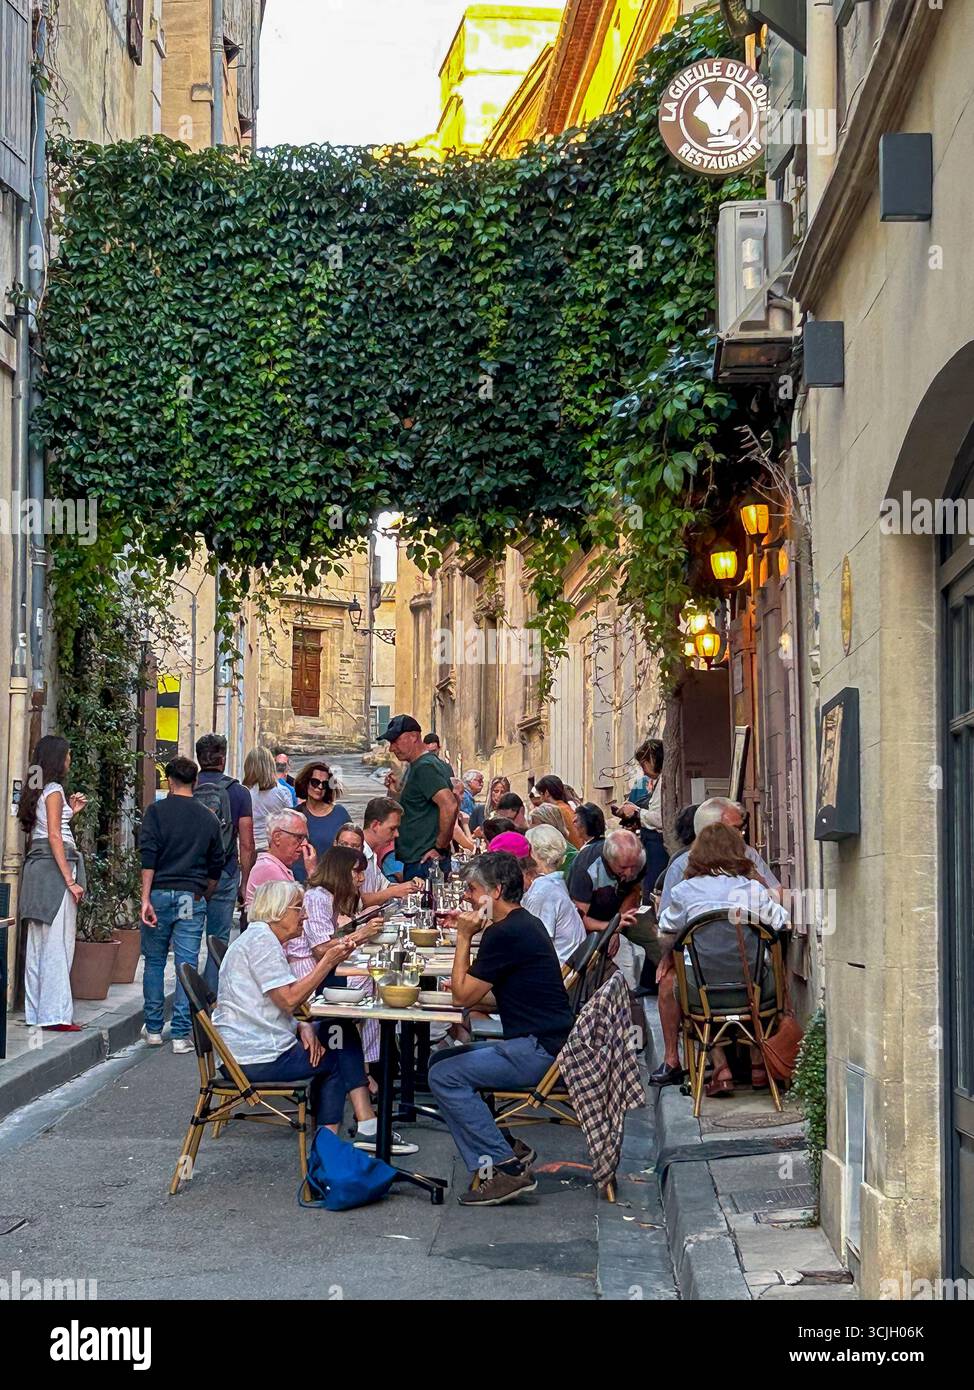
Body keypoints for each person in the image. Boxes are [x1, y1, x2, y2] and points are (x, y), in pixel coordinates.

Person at [212, 880, 415, 1153]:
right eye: (299, 909)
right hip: (255, 1056)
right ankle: (330, 1146)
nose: (304, 916)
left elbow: (272, 1004)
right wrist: (327, 962)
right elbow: (289, 999)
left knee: (340, 1029)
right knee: (333, 1058)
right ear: (278, 912)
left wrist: (301, 1026)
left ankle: (364, 1126)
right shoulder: (262, 941)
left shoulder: (259, 937)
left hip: (252, 1046)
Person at [428, 852, 574, 1206]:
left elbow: (462, 997)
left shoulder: (503, 933)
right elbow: (504, 996)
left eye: (471, 888)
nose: (466, 896)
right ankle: (508, 1147)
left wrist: (464, 937)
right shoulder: (524, 923)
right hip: (548, 1039)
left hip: (538, 1050)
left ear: (493, 892)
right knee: (441, 1061)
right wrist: (471, 990)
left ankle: (504, 1168)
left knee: (445, 1076)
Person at [652, 798, 781, 1087]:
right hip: (752, 985)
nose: (742, 837)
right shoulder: (751, 888)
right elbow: (781, 921)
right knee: (761, 966)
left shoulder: (685, 890)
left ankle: (720, 1066)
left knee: (688, 979)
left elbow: (667, 927)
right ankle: (759, 1061)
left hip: (702, 989)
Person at [138, 757, 225, 1051]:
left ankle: (152, 1028)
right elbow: (217, 865)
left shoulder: (156, 812)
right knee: (186, 963)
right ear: (196, 782)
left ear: (169, 781)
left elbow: (148, 855)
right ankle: (180, 1033)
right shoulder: (208, 818)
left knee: (154, 960)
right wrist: (205, 893)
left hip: (160, 893)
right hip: (191, 896)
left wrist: (145, 898)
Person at [17, 735, 87, 1032]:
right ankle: (56, 1014)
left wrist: (72, 812)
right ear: (58, 759)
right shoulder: (55, 790)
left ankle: (36, 1013)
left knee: (37, 944)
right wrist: (70, 881)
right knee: (58, 944)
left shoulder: (37, 791)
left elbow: (47, 828)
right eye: (68, 755)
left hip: (35, 871)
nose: (69, 760)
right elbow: (56, 837)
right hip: (54, 873)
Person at [195, 733, 255, 990]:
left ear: (199, 759)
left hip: (192, 876)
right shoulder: (238, 793)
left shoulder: (188, 787)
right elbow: (247, 843)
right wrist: (245, 881)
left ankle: (186, 1008)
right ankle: (209, 1000)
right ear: (223, 759)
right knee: (217, 940)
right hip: (225, 873)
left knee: (189, 941)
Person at [381, 714, 457, 879]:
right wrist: (395, 792)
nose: (392, 748)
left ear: (414, 736)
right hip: (420, 860)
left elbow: (450, 805)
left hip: (424, 862)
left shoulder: (425, 767)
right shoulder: (420, 765)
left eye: (395, 741)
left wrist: (439, 847)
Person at [568, 828, 646, 987]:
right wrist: (610, 929)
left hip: (618, 915)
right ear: (609, 860)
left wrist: (617, 926)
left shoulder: (637, 862)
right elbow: (579, 920)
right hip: (589, 921)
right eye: (623, 868)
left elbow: (633, 890)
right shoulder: (586, 868)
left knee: (656, 937)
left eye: (633, 866)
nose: (630, 872)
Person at [523, 826, 587, 964]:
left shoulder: (543, 890)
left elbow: (535, 944)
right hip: (569, 964)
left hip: (561, 971)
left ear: (532, 853)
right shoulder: (554, 882)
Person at [245, 809, 316, 908]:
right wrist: (312, 872)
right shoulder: (269, 868)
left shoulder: (275, 865)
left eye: (305, 838)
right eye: (299, 837)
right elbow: (304, 910)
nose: (304, 844)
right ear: (277, 837)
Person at [360, 797, 425, 906]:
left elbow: (385, 887)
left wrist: (410, 886)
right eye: (392, 829)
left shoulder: (371, 854)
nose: (396, 834)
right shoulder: (355, 854)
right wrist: (394, 891)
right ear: (375, 825)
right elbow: (357, 902)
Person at [292, 760, 351, 882]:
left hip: (331, 882)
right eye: (315, 782)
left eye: (324, 784)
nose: (319, 787)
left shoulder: (340, 814)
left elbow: (352, 849)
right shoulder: (294, 815)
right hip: (297, 883)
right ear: (306, 783)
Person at [243, 747, 293, 852]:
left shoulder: (244, 792)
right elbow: (290, 821)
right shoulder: (282, 792)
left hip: (251, 847)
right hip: (275, 848)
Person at [529, 802, 580, 875]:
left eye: (537, 827)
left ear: (550, 827)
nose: (532, 830)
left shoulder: (572, 857)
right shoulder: (538, 850)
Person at [533, 775, 584, 848]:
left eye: (541, 795)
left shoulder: (555, 811)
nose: (540, 799)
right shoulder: (566, 808)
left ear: (546, 793)